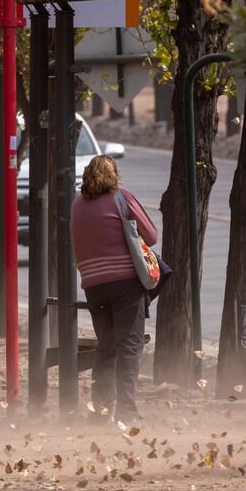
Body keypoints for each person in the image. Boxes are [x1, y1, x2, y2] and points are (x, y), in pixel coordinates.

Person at [71, 155, 158, 422]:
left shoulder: (77, 204)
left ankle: (100, 411)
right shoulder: (122, 198)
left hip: (93, 284)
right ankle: (127, 413)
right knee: (129, 347)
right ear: (114, 176)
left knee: (106, 347)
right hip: (125, 284)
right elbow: (152, 236)